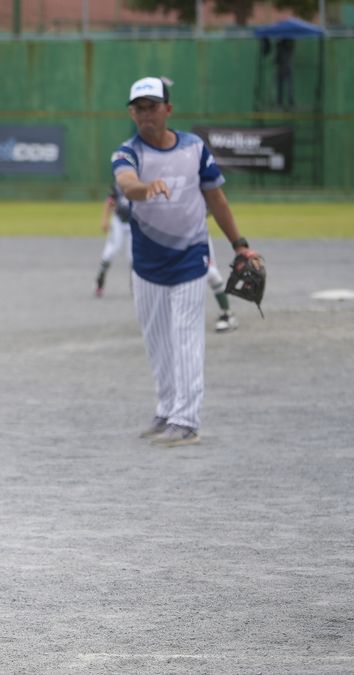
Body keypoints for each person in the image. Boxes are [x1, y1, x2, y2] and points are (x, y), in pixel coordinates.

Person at [112, 76, 262, 447]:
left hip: (190, 258)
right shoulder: (127, 153)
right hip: (146, 263)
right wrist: (146, 188)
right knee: (157, 341)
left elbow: (217, 200)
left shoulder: (195, 148)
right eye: (139, 108)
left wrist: (239, 245)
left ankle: (187, 419)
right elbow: (127, 184)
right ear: (132, 113)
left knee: (186, 337)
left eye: (153, 106)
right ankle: (167, 409)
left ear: (168, 109)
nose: (146, 114)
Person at [95, 188, 239, 334]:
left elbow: (213, 203)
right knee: (165, 272)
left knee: (210, 273)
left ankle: (227, 313)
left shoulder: (194, 178)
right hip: (168, 235)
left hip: (195, 233)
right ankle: (167, 318)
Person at [94, 183, 132, 298]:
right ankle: (100, 280)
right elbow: (109, 202)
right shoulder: (118, 185)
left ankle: (136, 286)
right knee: (111, 251)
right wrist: (105, 219)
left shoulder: (139, 183)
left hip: (133, 223)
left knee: (133, 256)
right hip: (118, 222)